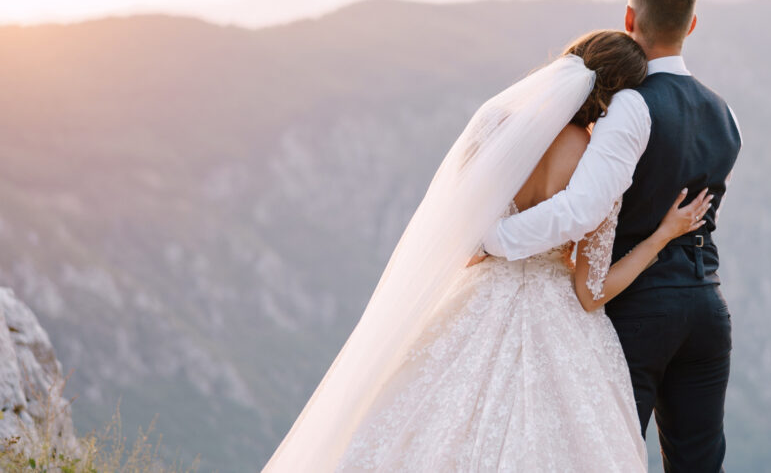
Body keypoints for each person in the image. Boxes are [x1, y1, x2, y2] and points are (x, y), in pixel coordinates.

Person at [262, 29, 714, 472]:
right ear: (616, 100)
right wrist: (661, 236)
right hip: (559, 318)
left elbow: (464, 243)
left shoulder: (495, 130)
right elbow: (590, 292)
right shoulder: (597, 169)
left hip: (475, 300)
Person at [482, 0, 742, 472]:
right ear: (691, 24)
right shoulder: (726, 113)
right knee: (700, 464)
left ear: (629, 18)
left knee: (613, 456)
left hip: (640, 310)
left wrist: (496, 238)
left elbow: (582, 208)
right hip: (706, 307)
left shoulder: (631, 105)